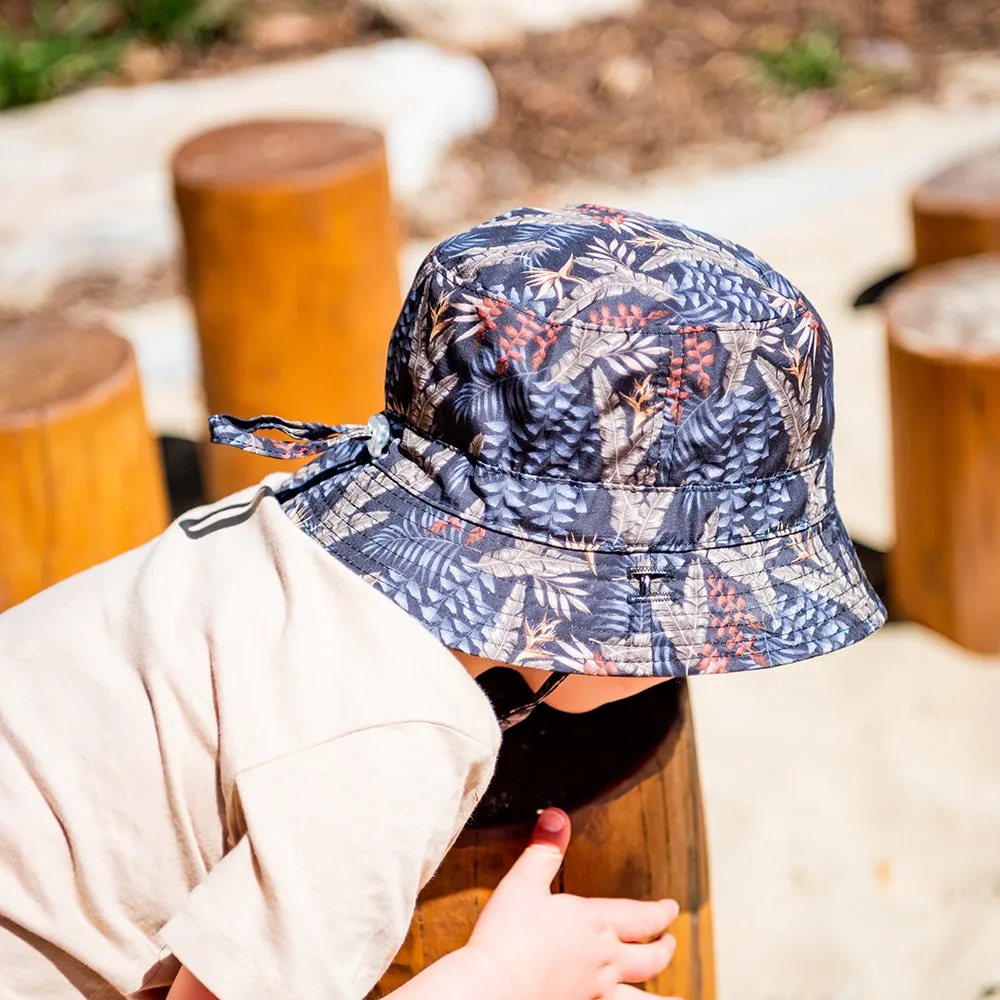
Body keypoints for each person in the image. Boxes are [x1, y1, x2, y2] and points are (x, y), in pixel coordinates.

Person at [0, 205, 885, 1000]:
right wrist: (503, 978)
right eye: (699, 627)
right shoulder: (399, 740)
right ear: (611, 616)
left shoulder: (272, 529)